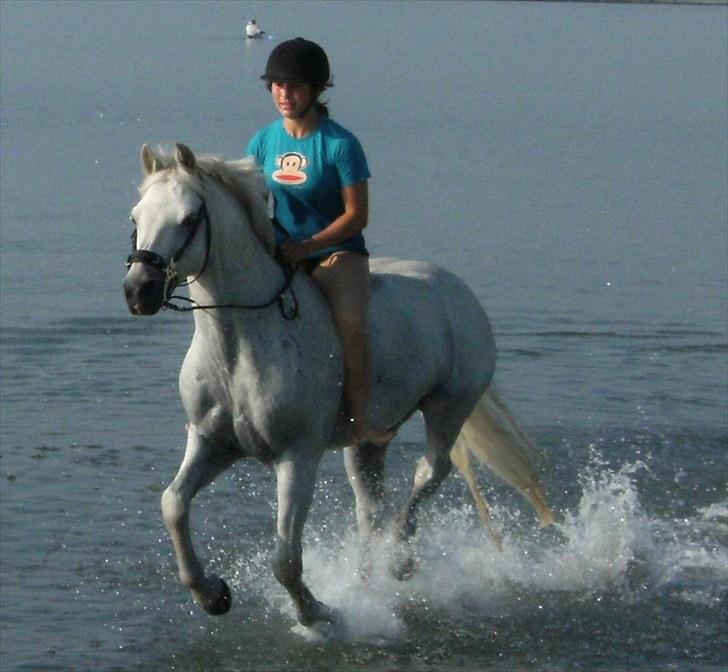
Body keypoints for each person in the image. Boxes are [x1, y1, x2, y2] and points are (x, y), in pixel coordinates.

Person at [246, 37, 395, 448]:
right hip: (282, 253)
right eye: (276, 85)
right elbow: (252, 204)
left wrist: (308, 246)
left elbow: (356, 215)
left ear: (315, 90)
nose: (283, 93)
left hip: (335, 254)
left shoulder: (340, 145)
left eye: (293, 86)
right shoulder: (262, 142)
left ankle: (359, 418)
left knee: (349, 321)